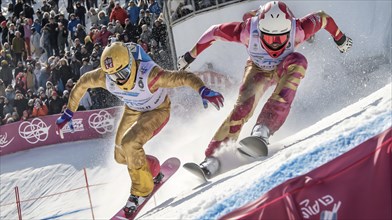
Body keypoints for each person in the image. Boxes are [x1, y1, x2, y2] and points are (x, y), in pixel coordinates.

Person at [177, 1, 353, 177]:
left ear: (289, 29)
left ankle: (263, 129)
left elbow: (324, 17)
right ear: (260, 31)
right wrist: (189, 56)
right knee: (242, 108)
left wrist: (340, 38)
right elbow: (214, 32)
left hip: (284, 66)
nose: (275, 44)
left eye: (281, 37)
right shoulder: (247, 31)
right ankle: (214, 158)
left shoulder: (299, 29)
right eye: (269, 38)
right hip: (258, 69)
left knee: (299, 61)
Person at [55, 41, 224, 216]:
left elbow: (183, 77)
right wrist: (68, 112)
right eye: (113, 76)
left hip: (157, 110)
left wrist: (202, 89)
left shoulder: (149, 74)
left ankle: (141, 191)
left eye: (123, 73)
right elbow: (82, 83)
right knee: (120, 156)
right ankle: (153, 170)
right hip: (133, 109)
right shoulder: (105, 77)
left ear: (132, 64)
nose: (119, 79)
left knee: (130, 144)